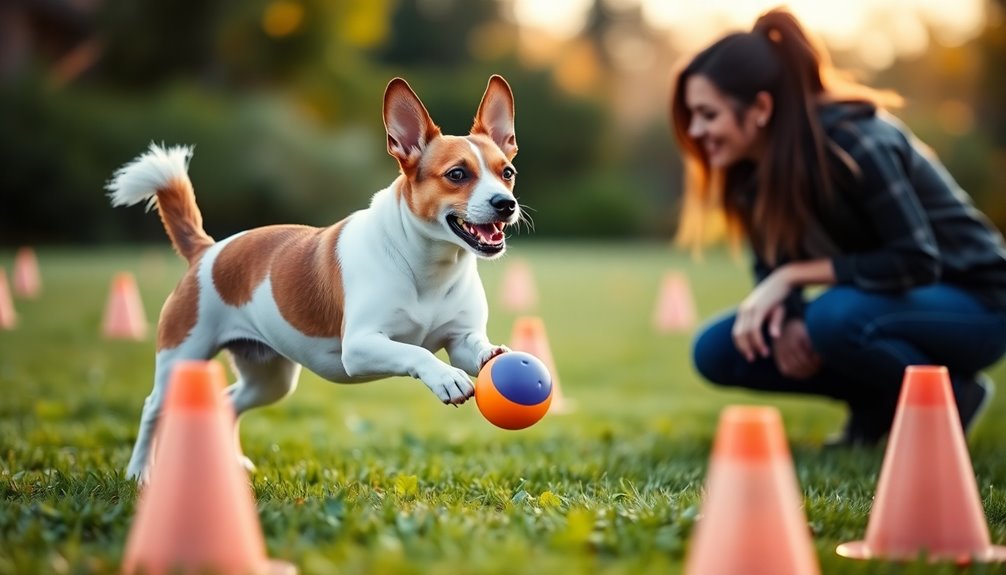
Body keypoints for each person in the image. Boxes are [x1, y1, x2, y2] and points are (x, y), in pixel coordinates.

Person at [670, 7, 1006, 446]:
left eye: (707, 115)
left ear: (760, 108)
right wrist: (787, 318)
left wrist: (792, 279)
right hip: (882, 303)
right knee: (720, 349)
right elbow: (770, 265)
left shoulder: (857, 141)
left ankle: (953, 396)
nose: (696, 130)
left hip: (977, 303)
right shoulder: (749, 174)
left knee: (833, 318)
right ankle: (876, 406)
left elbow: (915, 260)